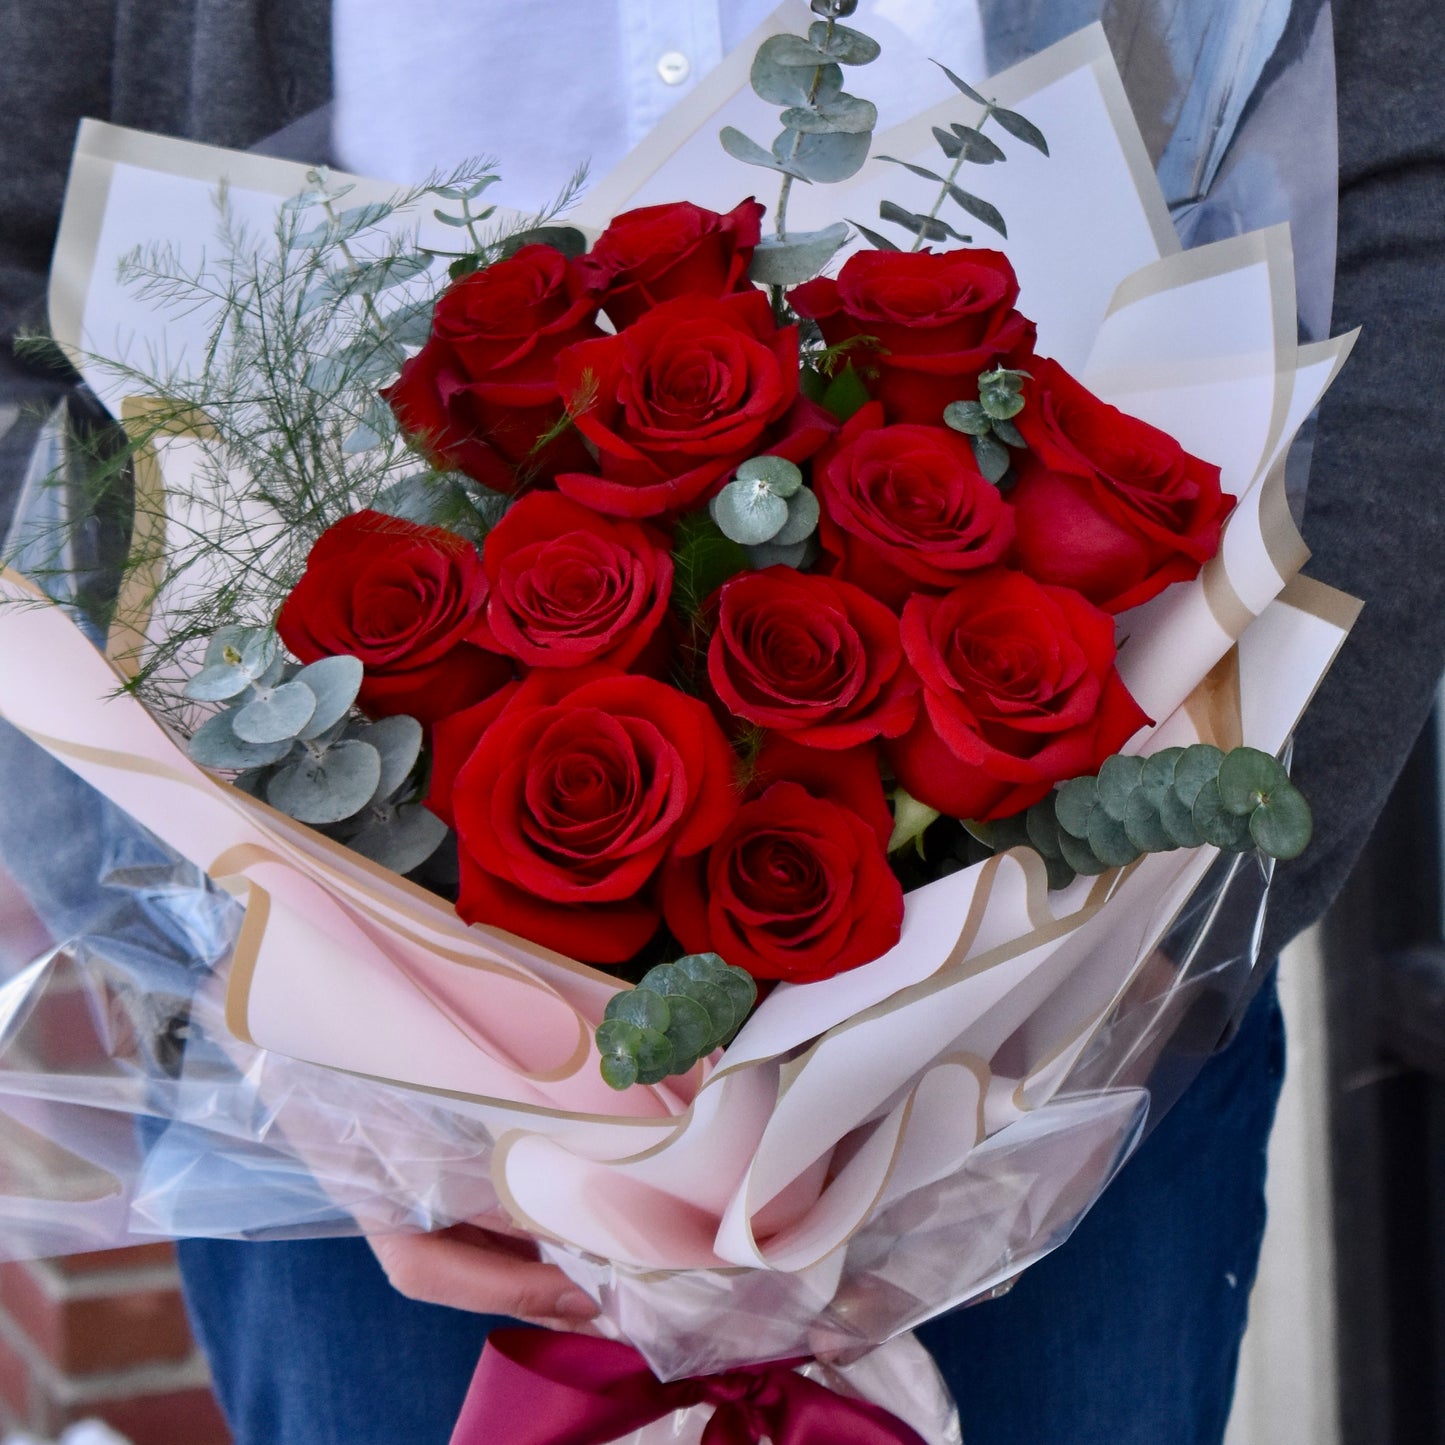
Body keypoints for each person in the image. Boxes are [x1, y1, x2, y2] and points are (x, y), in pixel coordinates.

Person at [1, 2, 1441, 1441]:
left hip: (1076, 1051)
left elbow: (1394, 196)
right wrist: (257, 995)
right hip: (368, 1127)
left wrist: (1149, 946)